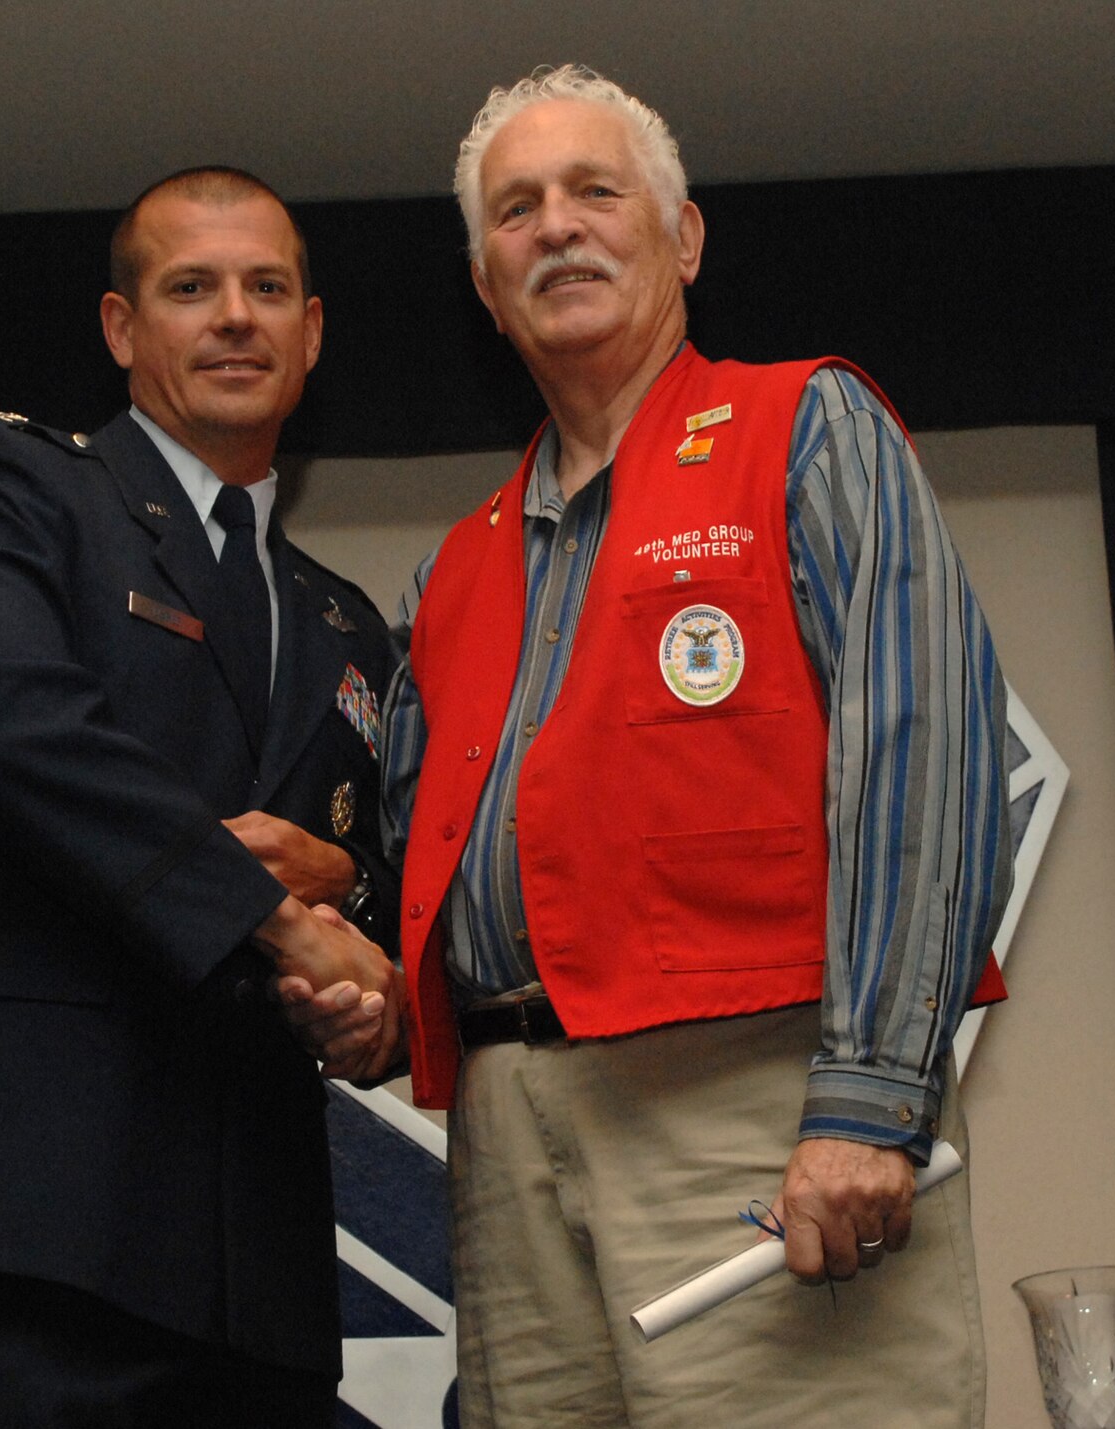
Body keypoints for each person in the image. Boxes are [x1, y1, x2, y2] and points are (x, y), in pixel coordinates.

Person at [380, 64, 1011, 1428]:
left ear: (684, 238)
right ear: (484, 284)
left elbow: (921, 755)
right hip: (505, 1132)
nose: (556, 226)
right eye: (516, 210)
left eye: (595, 192)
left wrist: (869, 1100)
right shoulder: (452, 572)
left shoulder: (807, 428)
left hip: (753, 1098)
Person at [0, 167, 403, 1428]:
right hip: (27, 1220)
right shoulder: (9, 484)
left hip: (257, 1272)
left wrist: (370, 987)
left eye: (268, 288)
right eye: (191, 287)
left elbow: (381, 879)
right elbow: (15, 733)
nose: (235, 316)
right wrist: (275, 913)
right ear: (121, 327)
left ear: (311, 332)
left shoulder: (347, 625)